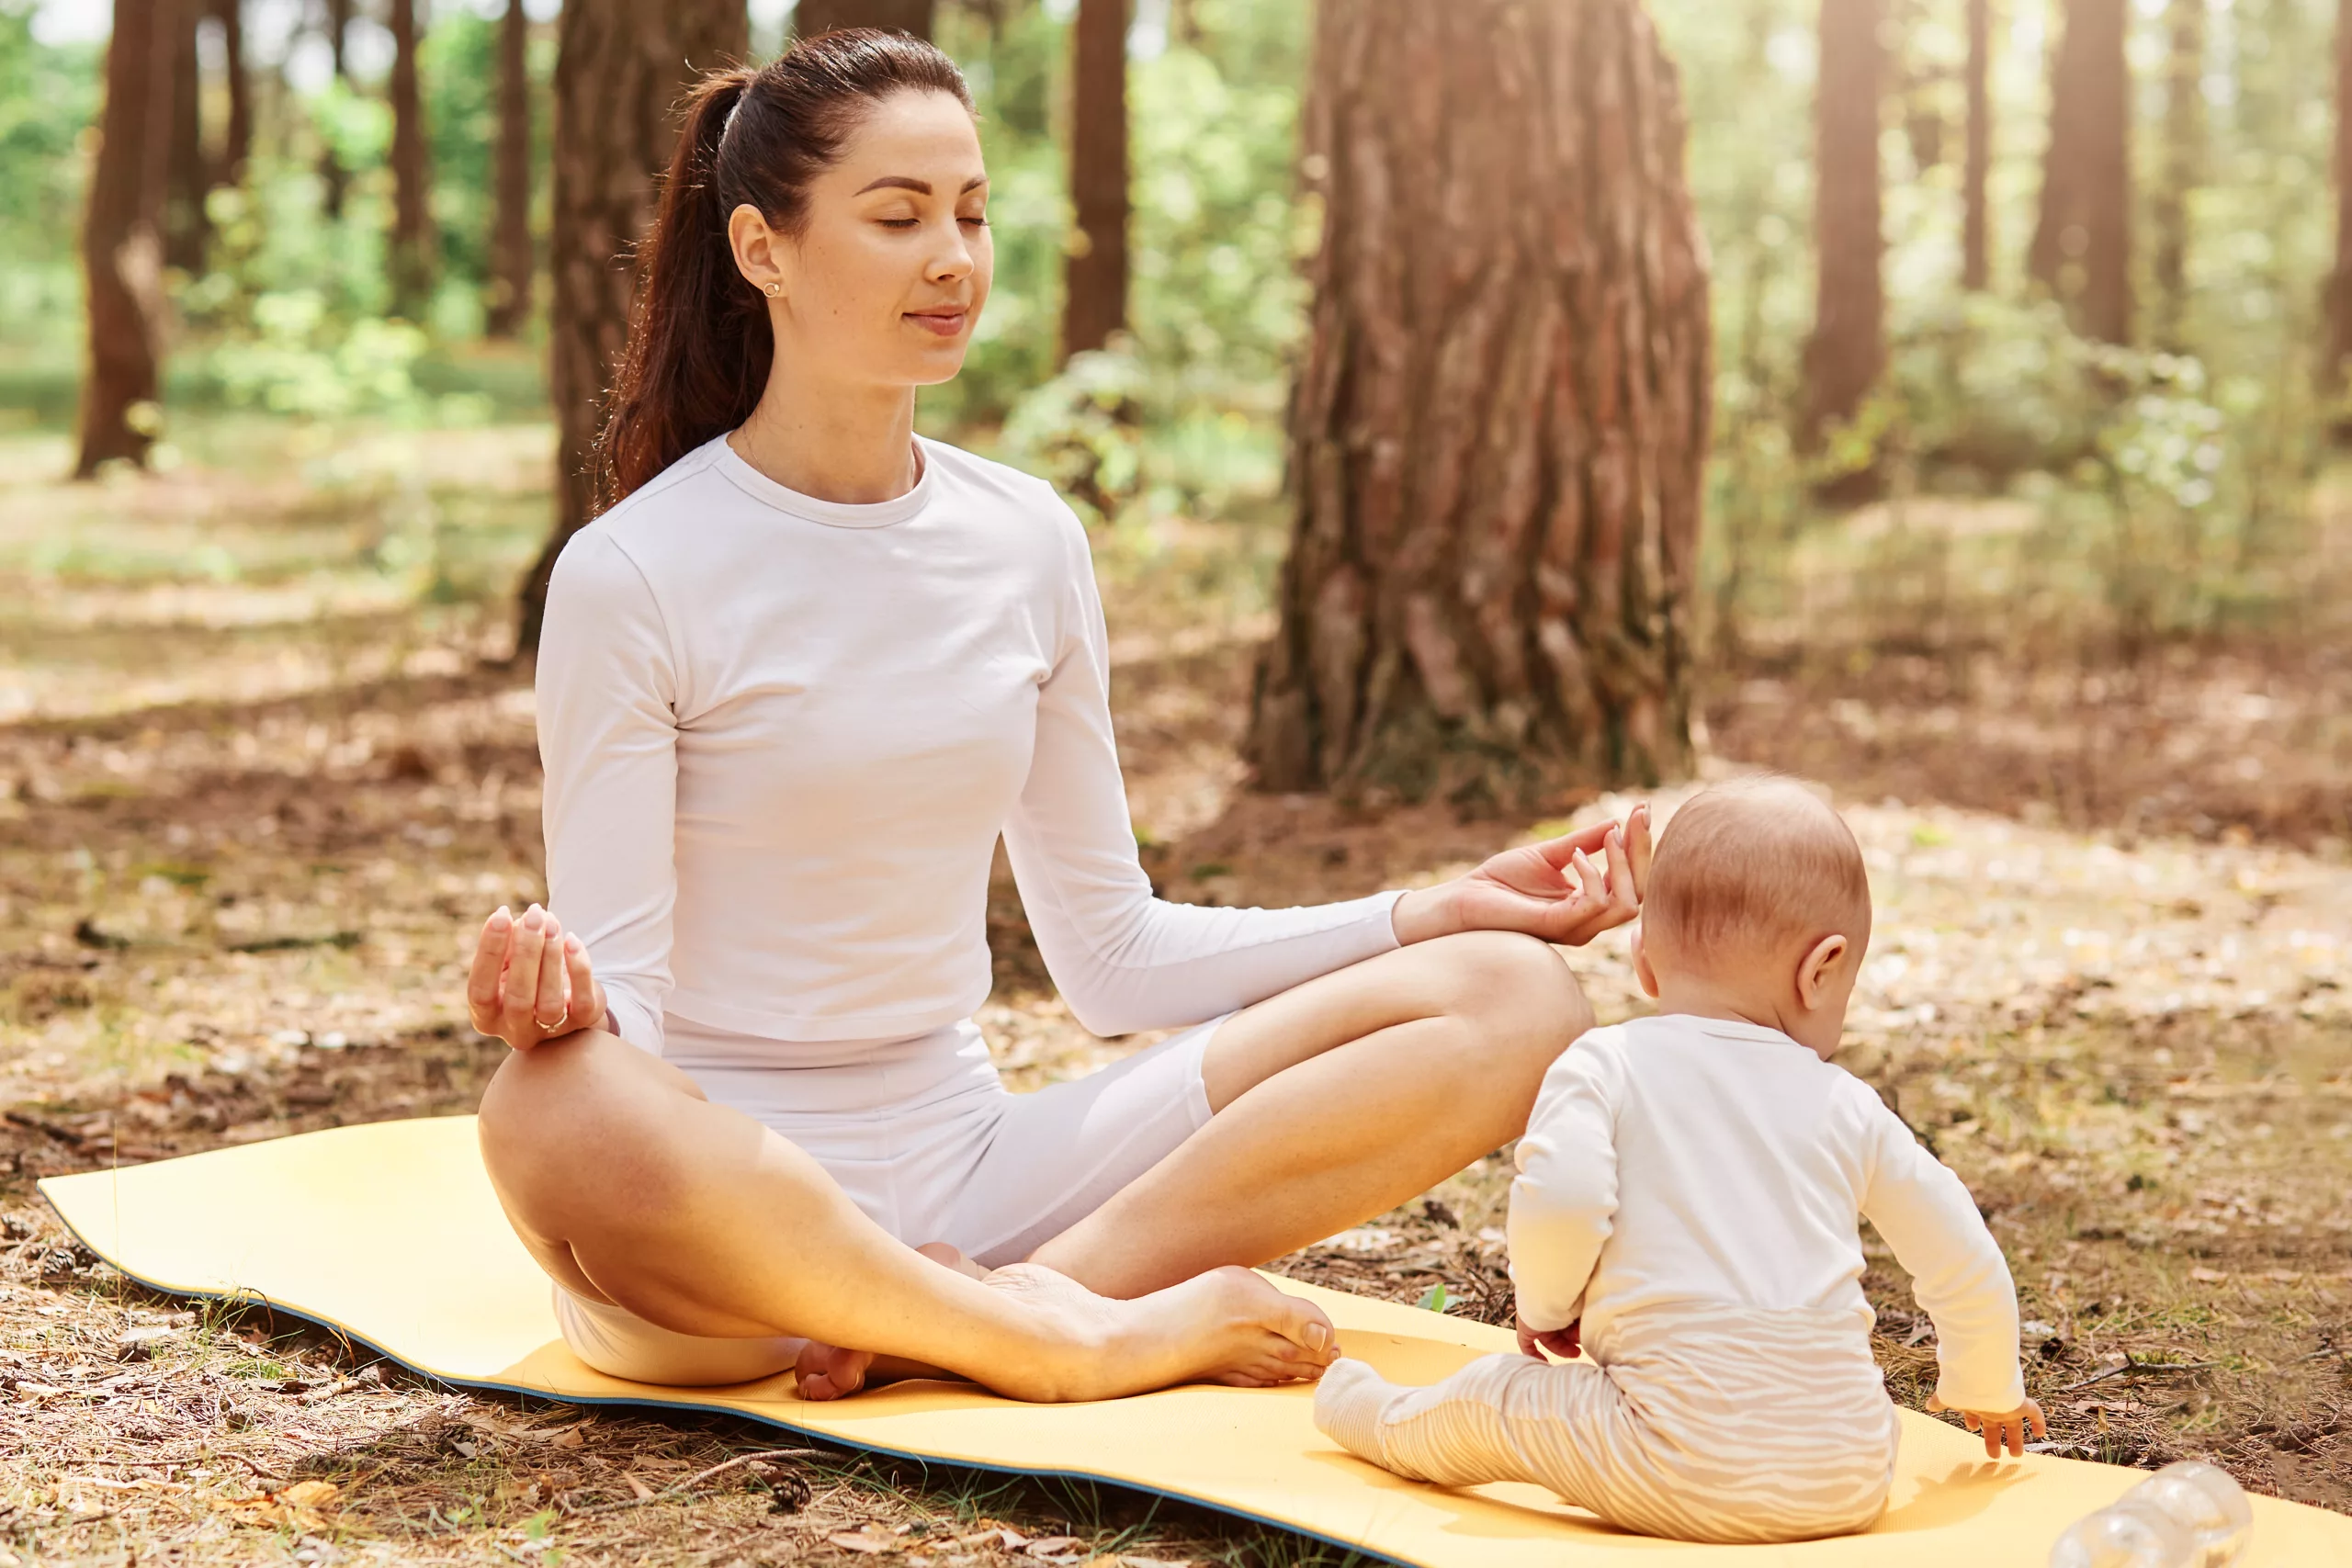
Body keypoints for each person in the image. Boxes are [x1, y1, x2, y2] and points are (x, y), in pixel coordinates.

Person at [465, 29, 1654, 1406]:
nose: (953, 259)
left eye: (971, 213)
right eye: (897, 217)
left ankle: (1021, 1304)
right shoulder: (634, 571)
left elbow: (1112, 955)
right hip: (734, 1231)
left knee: (1514, 995)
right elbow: (637, 1008)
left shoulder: (1026, 537)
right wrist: (562, 1012)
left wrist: (1428, 912)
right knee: (552, 1106)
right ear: (761, 249)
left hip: (982, 1179)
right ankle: (1037, 1333)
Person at [1312, 776, 2044, 1544]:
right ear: (1822, 969)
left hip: (1668, 1455)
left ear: (1643, 959)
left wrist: (1547, 1304)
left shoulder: (1605, 1064)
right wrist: (1986, 1386)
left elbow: (1561, 1199)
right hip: (1851, 1471)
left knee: (1493, 1398)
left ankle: (1368, 1415)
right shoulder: (1847, 1105)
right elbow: (1961, 1251)